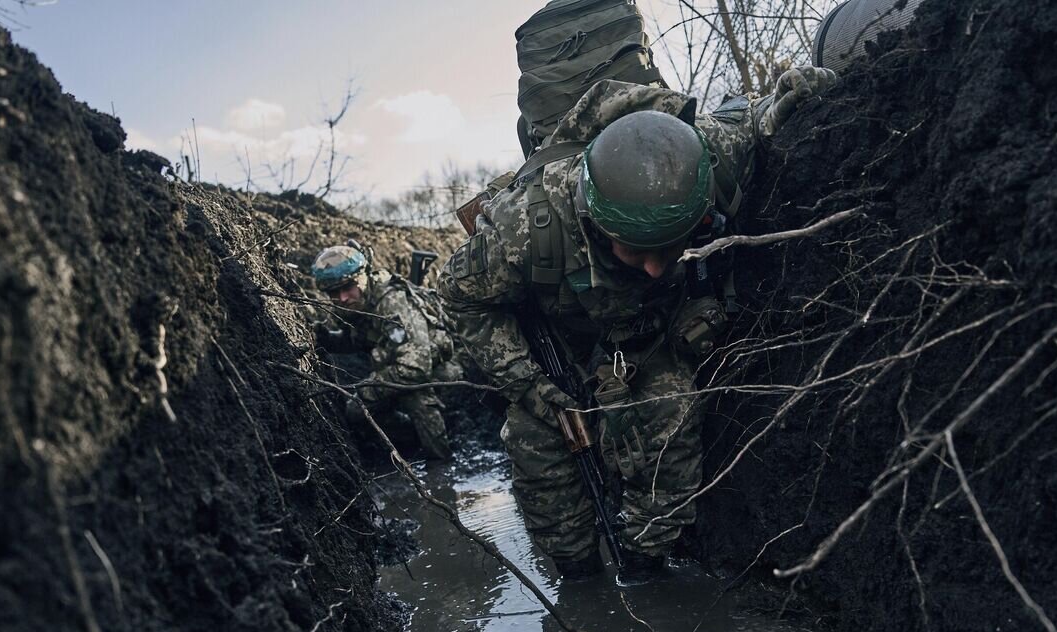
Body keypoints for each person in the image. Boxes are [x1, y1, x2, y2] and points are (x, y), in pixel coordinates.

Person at [438, 68, 836, 582]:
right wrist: (534, 387)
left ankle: (646, 566)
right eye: (637, 251)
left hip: (653, 339)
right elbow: (458, 297)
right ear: (595, 221)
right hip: (563, 350)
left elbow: (752, 117)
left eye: (669, 248)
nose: (654, 268)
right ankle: (577, 576)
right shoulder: (525, 228)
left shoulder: (709, 159)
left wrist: (786, 99)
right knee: (535, 445)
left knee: (672, 417)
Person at [311, 242, 461, 460]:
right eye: (334, 292)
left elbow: (416, 368)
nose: (342, 298)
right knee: (356, 411)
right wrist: (328, 340)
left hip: (442, 369)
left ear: (363, 276)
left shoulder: (391, 302)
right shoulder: (357, 303)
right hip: (399, 367)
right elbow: (361, 340)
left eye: (348, 287)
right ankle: (410, 439)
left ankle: (441, 462)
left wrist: (368, 389)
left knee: (415, 396)